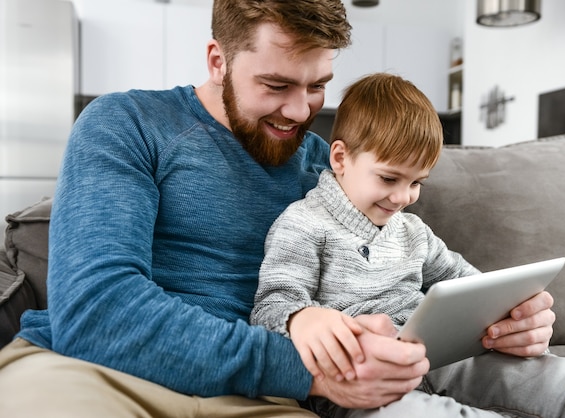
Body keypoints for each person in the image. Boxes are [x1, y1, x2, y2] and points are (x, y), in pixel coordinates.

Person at [0, 2, 430, 417]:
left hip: (261, 398)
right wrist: (308, 371)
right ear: (218, 60)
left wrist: (484, 323)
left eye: (317, 86)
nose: (301, 111)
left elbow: (398, 273)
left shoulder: (333, 168)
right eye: (276, 85)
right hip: (95, 372)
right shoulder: (127, 122)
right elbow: (95, 310)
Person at [251, 72, 565, 417]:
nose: (402, 197)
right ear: (340, 158)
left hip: (442, 356)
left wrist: (509, 312)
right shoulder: (302, 224)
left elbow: (470, 283)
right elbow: (273, 305)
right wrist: (304, 319)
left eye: (416, 183)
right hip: (362, 377)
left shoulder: (413, 231)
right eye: (389, 178)